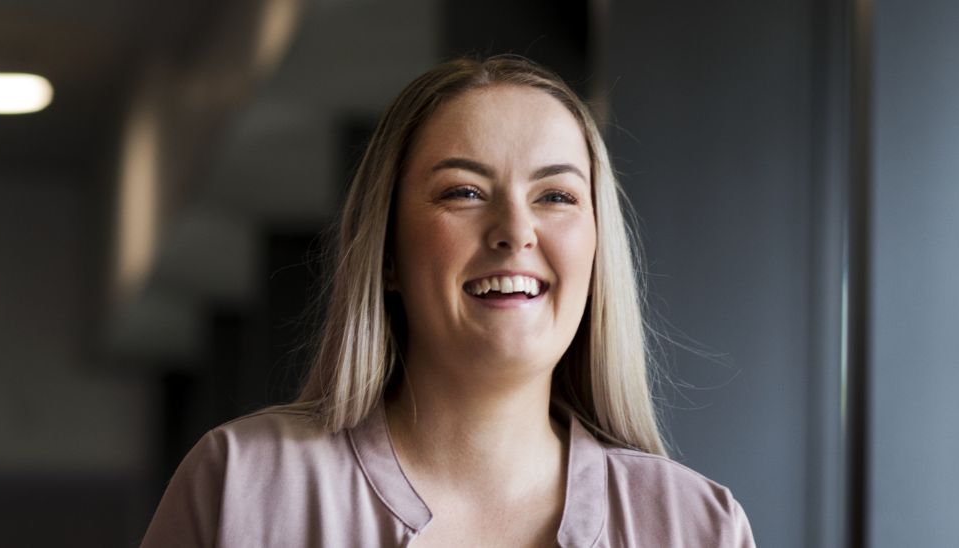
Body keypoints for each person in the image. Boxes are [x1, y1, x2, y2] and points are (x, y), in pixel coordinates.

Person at [139, 55, 755, 547]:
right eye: (463, 192)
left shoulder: (698, 528)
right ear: (386, 253)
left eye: (557, 196)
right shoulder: (242, 487)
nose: (515, 229)